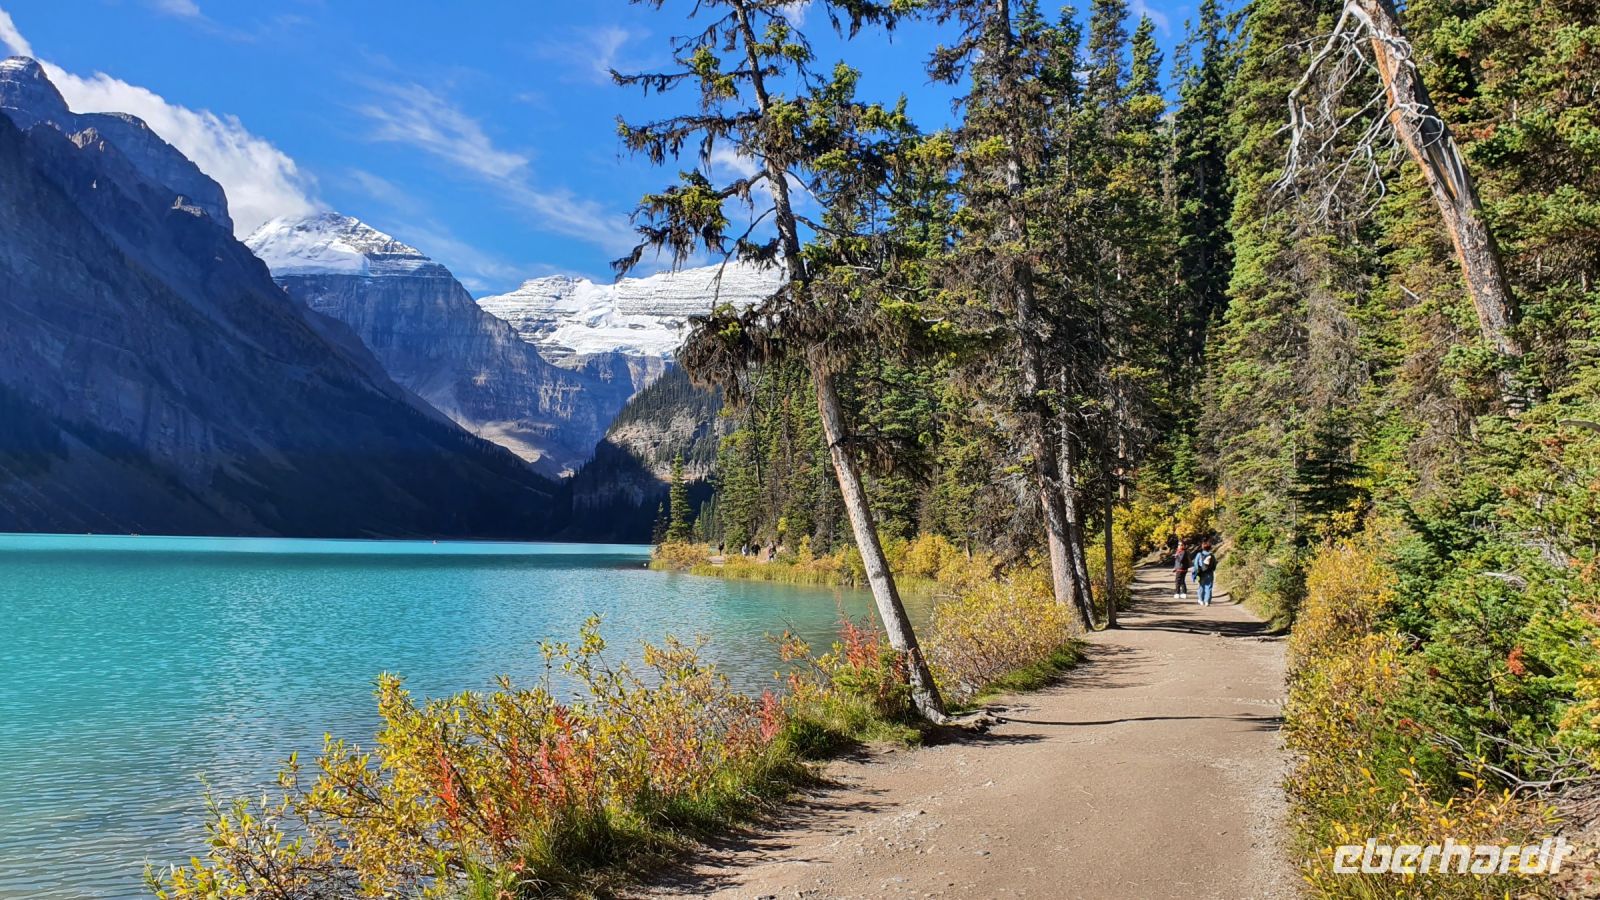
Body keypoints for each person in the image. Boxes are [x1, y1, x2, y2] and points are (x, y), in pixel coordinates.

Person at [1191, 540, 1218, 606]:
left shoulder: (1199, 554)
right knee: (1209, 587)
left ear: (1202, 547)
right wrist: (1212, 570)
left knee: (1201, 586)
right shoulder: (1212, 555)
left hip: (1201, 573)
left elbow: (1196, 564)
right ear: (1210, 547)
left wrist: (1196, 572)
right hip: (1210, 573)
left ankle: (1201, 600)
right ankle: (1207, 601)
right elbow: (1214, 564)